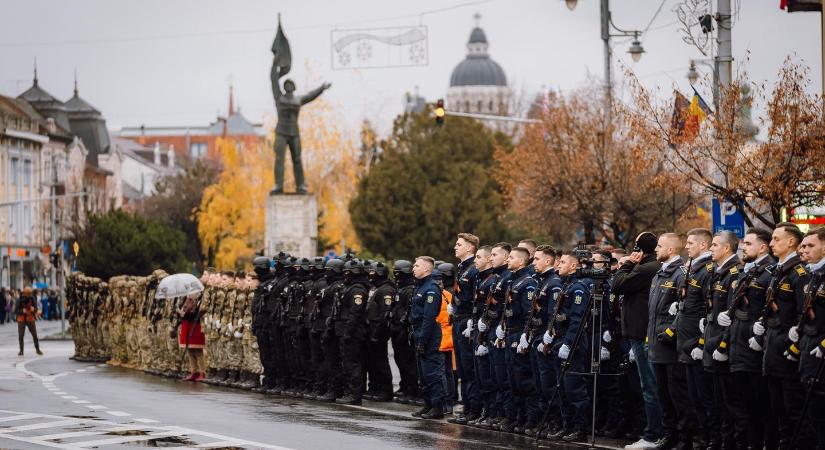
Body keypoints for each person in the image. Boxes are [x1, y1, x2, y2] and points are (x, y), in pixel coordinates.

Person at [752, 222, 813, 448]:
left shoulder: (799, 273)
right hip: (772, 350)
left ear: (790, 242)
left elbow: (803, 313)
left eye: (776, 239)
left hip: (788, 353)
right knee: (776, 410)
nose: (771, 244)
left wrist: (791, 342)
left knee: (793, 411)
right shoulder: (779, 270)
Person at [721, 228, 777, 450]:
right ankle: (751, 443)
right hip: (738, 346)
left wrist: (760, 337)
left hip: (754, 349)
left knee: (762, 406)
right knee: (744, 404)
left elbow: (769, 311)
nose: (743, 247)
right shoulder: (747, 272)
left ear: (762, 247)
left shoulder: (768, 273)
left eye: (749, 244)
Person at [613, 232, 664, 450]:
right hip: (642, 333)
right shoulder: (651, 267)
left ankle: (653, 434)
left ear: (639, 251)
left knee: (650, 387)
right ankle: (656, 432)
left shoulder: (645, 269)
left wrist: (625, 266)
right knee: (651, 386)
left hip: (642, 334)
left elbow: (617, 285)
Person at [648, 233, 694, 450]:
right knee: (663, 394)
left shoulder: (681, 274)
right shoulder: (660, 273)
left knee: (677, 395)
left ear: (672, 250)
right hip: (656, 344)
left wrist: (670, 332)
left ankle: (684, 438)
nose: (656, 249)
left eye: (659, 246)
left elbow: (683, 309)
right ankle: (669, 434)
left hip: (670, 345)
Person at [702, 231, 741, 449]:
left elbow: (731, 315)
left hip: (722, 346)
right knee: (717, 400)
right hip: (712, 341)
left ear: (726, 248)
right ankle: (721, 440)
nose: (711, 249)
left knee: (729, 402)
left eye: (715, 245)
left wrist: (723, 345)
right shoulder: (719, 272)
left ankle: (729, 442)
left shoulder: (733, 273)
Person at [447, 233, 481, 424]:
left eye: (459, 244)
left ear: (470, 248)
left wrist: (472, 319)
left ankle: (473, 408)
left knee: (469, 368)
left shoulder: (473, 269)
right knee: (461, 368)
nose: (455, 247)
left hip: (467, 320)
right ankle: (467, 407)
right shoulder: (462, 268)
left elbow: (476, 297)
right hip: (458, 319)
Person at [797, 227, 825, 449]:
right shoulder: (815, 274)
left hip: (821, 355)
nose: (804, 249)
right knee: (813, 416)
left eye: (810, 245)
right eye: (804, 245)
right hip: (809, 352)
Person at [410, 256, 446, 419]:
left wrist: (423, 340)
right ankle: (428, 404)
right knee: (422, 373)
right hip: (419, 332)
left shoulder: (431, 288)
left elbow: (429, 318)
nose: (413, 268)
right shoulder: (419, 286)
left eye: (416, 266)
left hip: (429, 334)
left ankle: (437, 406)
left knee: (431, 372)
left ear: (426, 269)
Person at [177, 292, 206, 381]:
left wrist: (185, 314)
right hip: (187, 325)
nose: (190, 294)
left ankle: (202, 372)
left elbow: (197, 314)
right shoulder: (186, 301)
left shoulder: (200, 301)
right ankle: (193, 371)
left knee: (197, 351)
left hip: (195, 326)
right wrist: (180, 312)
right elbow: (183, 313)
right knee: (190, 350)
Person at [15, 287, 43, 356]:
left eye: (29, 294)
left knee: (35, 335)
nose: (29, 295)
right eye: (27, 294)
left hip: (30, 318)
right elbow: (15, 310)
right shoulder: (19, 299)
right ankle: (21, 351)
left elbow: (36, 308)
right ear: (24, 293)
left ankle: (38, 350)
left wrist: (34, 309)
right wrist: (22, 311)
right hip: (21, 319)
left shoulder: (32, 298)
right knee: (21, 336)